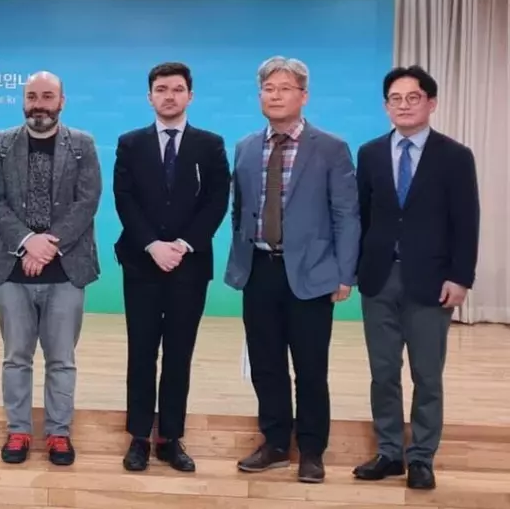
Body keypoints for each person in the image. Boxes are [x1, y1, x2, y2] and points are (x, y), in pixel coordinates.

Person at [225, 56, 359, 483]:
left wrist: (345, 273)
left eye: (285, 88)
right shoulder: (247, 147)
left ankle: (312, 450)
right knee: (266, 364)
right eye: (268, 89)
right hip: (259, 269)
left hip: (312, 273)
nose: (275, 96)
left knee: (310, 368)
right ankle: (276, 443)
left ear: (304, 96)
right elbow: (239, 209)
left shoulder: (331, 148)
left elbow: (347, 214)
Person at [352, 66, 479, 491]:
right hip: (378, 278)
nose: (403, 105)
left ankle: (422, 456)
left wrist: (460, 277)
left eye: (413, 97)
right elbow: (361, 216)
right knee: (383, 371)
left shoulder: (455, 156)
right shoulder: (370, 153)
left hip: (431, 281)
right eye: (395, 98)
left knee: (427, 374)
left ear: (431, 103)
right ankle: (389, 452)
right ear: (386, 105)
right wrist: (353, 270)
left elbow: (467, 221)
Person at [112, 62, 230, 473]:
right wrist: (152, 245)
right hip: (141, 264)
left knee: (179, 354)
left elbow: (217, 201)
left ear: (190, 96)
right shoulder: (130, 143)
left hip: (189, 265)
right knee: (141, 352)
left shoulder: (210, 145)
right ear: (150, 97)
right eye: (161, 89)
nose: (169, 96)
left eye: (177, 89)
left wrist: (181, 245)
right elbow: (124, 199)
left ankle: (170, 437)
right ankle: (139, 436)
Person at [0, 71, 101, 467]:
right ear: (23, 101)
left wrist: (48, 245)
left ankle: (58, 433)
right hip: (11, 269)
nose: (39, 104)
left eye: (47, 96)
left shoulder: (82, 144)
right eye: (32, 96)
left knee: (61, 359)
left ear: (61, 101)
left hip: (66, 270)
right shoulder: (1, 144)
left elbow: (87, 201)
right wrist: (26, 242)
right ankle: (18, 430)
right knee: (16, 357)